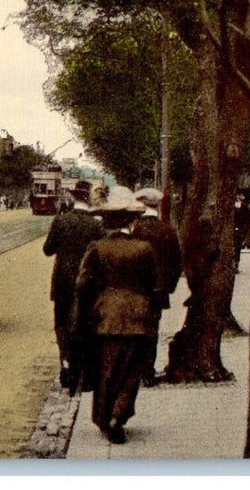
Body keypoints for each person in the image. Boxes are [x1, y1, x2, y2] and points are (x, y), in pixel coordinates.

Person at [73, 187, 159, 444]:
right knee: (131, 370)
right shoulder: (144, 249)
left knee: (106, 370)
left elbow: (82, 284)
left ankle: (104, 415)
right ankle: (118, 416)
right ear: (131, 221)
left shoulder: (97, 248)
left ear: (108, 221)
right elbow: (155, 284)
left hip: (106, 318)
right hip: (138, 317)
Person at [42, 180, 107, 389]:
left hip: (62, 285)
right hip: (87, 285)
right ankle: (86, 375)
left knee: (62, 327)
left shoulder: (60, 222)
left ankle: (67, 368)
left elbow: (48, 249)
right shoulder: (96, 225)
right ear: (88, 198)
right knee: (86, 328)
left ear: (72, 197)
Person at [130, 186, 182, 385]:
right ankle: (147, 371)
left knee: (135, 329)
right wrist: (168, 286)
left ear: (142, 206)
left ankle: (135, 370)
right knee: (152, 330)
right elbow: (177, 262)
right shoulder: (166, 230)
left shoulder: (136, 230)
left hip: (136, 290)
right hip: (158, 291)